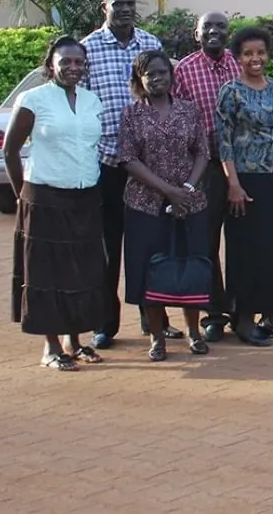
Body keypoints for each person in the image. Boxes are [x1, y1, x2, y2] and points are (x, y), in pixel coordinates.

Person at [81, 0, 175, 349]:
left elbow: (166, 99)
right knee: (108, 248)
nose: (124, 9)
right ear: (104, 6)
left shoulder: (151, 45)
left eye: (129, 3)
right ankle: (106, 324)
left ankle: (155, 320)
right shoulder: (88, 49)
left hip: (149, 168)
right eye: (117, 3)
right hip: (107, 164)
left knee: (151, 245)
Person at [3, 37, 107, 371]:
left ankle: (73, 341)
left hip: (85, 197)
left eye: (79, 62)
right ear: (52, 65)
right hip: (44, 197)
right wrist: (22, 195)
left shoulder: (92, 101)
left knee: (82, 272)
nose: (73, 68)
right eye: (66, 62)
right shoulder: (34, 99)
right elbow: (10, 149)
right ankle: (51, 347)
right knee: (47, 274)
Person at [116, 50, 212, 361]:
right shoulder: (131, 115)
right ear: (139, 80)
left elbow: (202, 152)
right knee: (150, 271)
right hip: (145, 206)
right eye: (150, 74)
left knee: (191, 268)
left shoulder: (188, 110)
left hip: (189, 204)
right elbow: (128, 159)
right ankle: (157, 338)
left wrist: (186, 189)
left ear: (172, 77)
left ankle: (194, 332)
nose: (157, 78)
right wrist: (168, 191)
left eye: (163, 72)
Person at [215, 27, 273, 346]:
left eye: (260, 52)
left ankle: (269, 313)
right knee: (244, 249)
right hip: (243, 180)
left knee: (271, 247)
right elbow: (224, 141)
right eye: (248, 53)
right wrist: (232, 183)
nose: (255, 58)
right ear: (238, 57)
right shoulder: (230, 91)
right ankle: (243, 317)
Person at [172, 11, 240, 342]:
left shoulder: (241, 63)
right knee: (206, 243)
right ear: (196, 34)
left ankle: (245, 308)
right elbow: (175, 120)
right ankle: (215, 312)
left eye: (220, 27)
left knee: (242, 241)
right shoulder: (183, 70)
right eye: (207, 28)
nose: (214, 31)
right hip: (205, 169)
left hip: (242, 169)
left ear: (229, 32)